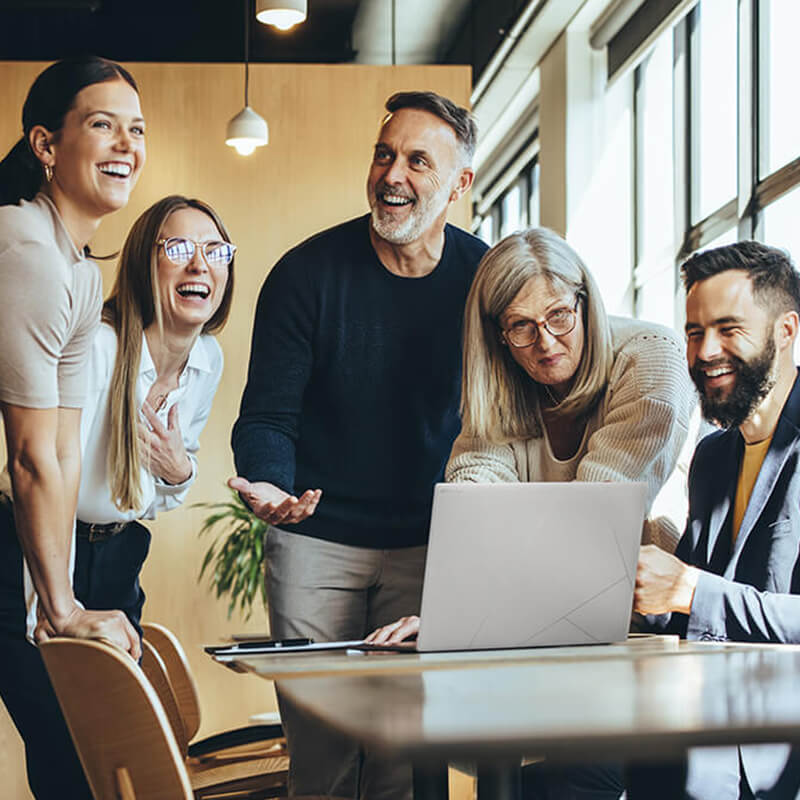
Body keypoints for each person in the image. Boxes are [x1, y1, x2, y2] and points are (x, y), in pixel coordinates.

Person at [230, 90, 487, 800]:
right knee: (324, 759)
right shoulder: (305, 274)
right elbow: (267, 417)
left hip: (432, 544)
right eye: (383, 153)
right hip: (317, 541)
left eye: (416, 160)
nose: (392, 174)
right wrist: (270, 483)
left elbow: (508, 419)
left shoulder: (485, 279)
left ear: (460, 185)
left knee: (408, 760)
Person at [367, 226, 695, 646]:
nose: (546, 342)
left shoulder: (652, 358)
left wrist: (465, 618)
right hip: (540, 614)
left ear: (585, 302)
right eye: (521, 326)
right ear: (498, 336)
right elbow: (476, 510)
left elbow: (593, 523)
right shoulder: (501, 384)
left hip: (655, 621)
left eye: (559, 315)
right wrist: (452, 617)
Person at [0, 56, 145, 799]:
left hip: (15, 541)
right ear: (45, 146)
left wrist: (58, 606)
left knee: (73, 747)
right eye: (102, 125)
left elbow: (59, 446)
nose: (126, 144)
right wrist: (57, 609)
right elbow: (27, 457)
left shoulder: (81, 272)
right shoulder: (24, 250)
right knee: (67, 746)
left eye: (136, 130)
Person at [631, 241, 800, 799]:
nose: (705, 352)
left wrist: (687, 589)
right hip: (705, 711)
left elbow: (698, 596)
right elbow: (684, 609)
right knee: (556, 777)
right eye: (694, 331)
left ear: (786, 332)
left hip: (776, 736)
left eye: (729, 329)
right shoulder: (712, 455)